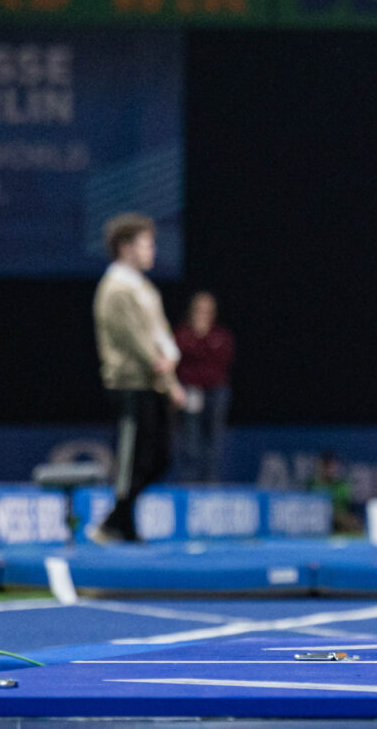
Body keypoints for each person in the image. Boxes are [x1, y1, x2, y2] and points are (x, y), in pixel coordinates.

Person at [90, 213, 180, 542]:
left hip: (152, 384)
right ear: (126, 248)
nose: (152, 250)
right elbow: (136, 341)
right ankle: (120, 525)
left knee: (160, 458)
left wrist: (172, 381)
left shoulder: (143, 288)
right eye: (147, 244)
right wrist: (165, 373)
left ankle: (116, 521)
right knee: (132, 463)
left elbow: (160, 334)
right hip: (129, 384)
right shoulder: (115, 287)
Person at [172, 291, 236, 483]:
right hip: (190, 392)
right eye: (199, 309)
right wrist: (199, 340)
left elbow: (222, 359)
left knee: (214, 439)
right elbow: (179, 358)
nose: (203, 313)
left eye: (207, 310)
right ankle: (189, 481)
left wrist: (202, 342)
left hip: (216, 393)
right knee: (190, 439)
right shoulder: (182, 334)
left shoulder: (221, 335)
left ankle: (210, 482)